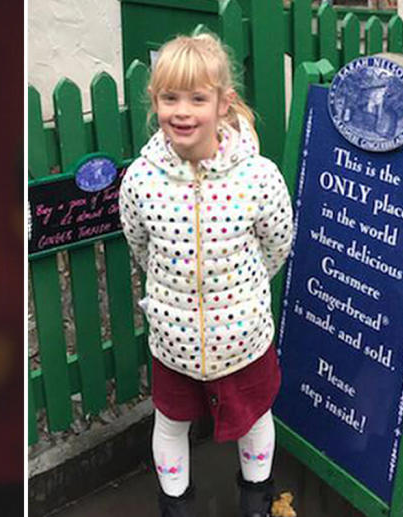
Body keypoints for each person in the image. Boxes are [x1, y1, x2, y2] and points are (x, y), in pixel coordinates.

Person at [119, 33, 293, 517]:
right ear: (154, 103)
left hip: (243, 337)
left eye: (198, 98)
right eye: (170, 97)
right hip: (173, 340)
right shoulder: (141, 180)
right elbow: (139, 245)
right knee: (171, 423)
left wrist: (242, 297)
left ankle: (256, 500)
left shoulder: (258, 178)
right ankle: (177, 507)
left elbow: (277, 244)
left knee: (256, 416)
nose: (183, 111)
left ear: (223, 103)